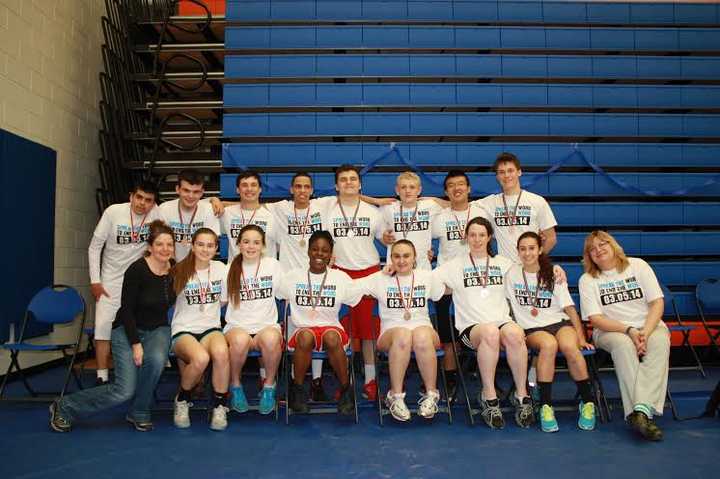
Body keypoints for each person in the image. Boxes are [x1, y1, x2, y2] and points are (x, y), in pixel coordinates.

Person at [50, 220, 175, 432]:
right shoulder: (136, 270)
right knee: (124, 390)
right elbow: (126, 310)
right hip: (127, 328)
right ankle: (65, 406)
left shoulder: (175, 270)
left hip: (158, 328)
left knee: (156, 360)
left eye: (169, 244)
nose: (165, 249)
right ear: (150, 247)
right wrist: (136, 343)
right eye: (160, 244)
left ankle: (140, 411)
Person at [435, 217, 534, 429]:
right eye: (472, 235)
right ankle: (489, 397)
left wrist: (554, 270)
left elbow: (532, 273)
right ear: (466, 237)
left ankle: (522, 395)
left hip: (501, 323)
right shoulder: (454, 266)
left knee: (516, 333)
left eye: (482, 235)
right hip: (471, 331)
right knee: (490, 332)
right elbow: (426, 280)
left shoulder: (504, 264)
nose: (477, 239)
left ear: (489, 237)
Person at [579, 230, 669, 441]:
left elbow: (657, 303)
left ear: (613, 245)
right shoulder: (587, 280)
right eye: (592, 249)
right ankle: (641, 411)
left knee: (660, 341)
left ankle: (640, 412)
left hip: (648, 325)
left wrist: (645, 332)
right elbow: (596, 319)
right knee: (623, 346)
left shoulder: (638, 265)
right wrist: (629, 331)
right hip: (610, 331)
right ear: (589, 256)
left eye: (603, 244)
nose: (598, 250)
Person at [506, 232, 597, 432]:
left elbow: (570, 308)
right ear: (518, 252)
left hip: (560, 322)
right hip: (532, 328)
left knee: (569, 346)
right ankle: (546, 406)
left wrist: (581, 337)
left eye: (531, 248)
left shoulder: (552, 273)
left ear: (540, 250)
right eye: (523, 249)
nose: (527, 253)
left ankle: (588, 402)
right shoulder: (511, 274)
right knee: (549, 345)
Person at [275, 230, 364, 415]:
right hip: (303, 328)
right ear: (308, 251)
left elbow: (362, 291)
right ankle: (297, 391)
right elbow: (276, 293)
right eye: (315, 249)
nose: (319, 254)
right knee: (306, 337)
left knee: (331, 337)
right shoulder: (293, 276)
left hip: (331, 327)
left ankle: (346, 390)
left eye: (324, 250)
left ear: (331, 254)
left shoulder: (340, 278)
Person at [358, 240, 445, 422]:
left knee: (420, 335)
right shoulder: (381, 278)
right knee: (403, 334)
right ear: (390, 259)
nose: (402, 260)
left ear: (415, 258)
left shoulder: (426, 276)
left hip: (424, 330)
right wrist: (380, 273)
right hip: (390, 333)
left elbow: (443, 292)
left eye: (406, 256)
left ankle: (431, 394)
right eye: (396, 256)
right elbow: (351, 288)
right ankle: (395, 397)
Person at [88, 181, 163, 385]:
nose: (142, 203)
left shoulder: (156, 214)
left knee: (138, 326)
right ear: (131, 196)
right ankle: (101, 375)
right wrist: (95, 281)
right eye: (139, 197)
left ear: (153, 203)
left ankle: (140, 373)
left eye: (148, 200)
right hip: (110, 281)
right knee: (103, 327)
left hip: (139, 282)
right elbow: (95, 247)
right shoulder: (113, 212)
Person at [320, 165, 385, 401]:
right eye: (343, 180)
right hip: (339, 274)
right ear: (337, 185)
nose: (348, 183)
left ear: (360, 184)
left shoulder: (373, 212)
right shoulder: (326, 208)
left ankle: (370, 380)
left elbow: (387, 239)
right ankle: (343, 381)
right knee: (341, 331)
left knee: (368, 332)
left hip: (368, 273)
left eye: (353, 179)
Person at [431, 170, 488, 397]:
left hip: (477, 283)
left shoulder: (482, 212)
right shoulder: (439, 217)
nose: (457, 189)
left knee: (483, 331)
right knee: (448, 336)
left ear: (469, 188)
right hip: (447, 283)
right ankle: (451, 377)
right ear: (446, 192)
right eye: (451, 185)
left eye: (461, 184)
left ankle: (485, 377)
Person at [170, 228, 230, 431]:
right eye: (201, 244)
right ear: (193, 246)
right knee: (201, 358)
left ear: (216, 248)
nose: (205, 249)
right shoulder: (180, 269)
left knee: (222, 352)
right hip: (183, 330)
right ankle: (182, 399)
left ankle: (220, 406)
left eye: (210, 245)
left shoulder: (221, 269)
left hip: (210, 328)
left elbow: (223, 301)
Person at [224, 225, 283, 416]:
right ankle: (235, 386)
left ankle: (268, 387)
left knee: (271, 339)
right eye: (246, 241)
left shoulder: (273, 265)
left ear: (263, 246)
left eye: (256, 242)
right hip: (237, 327)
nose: (251, 246)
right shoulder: (228, 269)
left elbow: (288, 289)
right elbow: (220, 301)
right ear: (238, 244)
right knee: (240, 341)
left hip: (266, 325)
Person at [477, 152, 558, 263]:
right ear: (497, 176)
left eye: (510, 170)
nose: (506, 175)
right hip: (505, 271)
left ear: (519, 172)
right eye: (501, 172)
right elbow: (461, 204)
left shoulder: (537, 201)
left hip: (530, 270)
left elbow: (551, 238)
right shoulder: (489, 203)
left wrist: (535, 260)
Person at [159, 169, 220, 262]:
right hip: (170, 266)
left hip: (199, 265)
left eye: (196, 192)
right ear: (177, 189)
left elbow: (210, 247)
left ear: (202, 192)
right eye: (186, 190)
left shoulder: (209, 210)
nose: (191, 196)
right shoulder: (165, 209)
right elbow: (160, 243)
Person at [220, 171, 277, 263]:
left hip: (264, 274)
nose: (249, 189)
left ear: (260, 189)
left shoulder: (272, 216)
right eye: (244, 185)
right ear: (238, 190)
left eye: (253, 185)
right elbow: (199, 205)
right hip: (236, 273)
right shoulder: (226, 213)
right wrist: (213, 199)